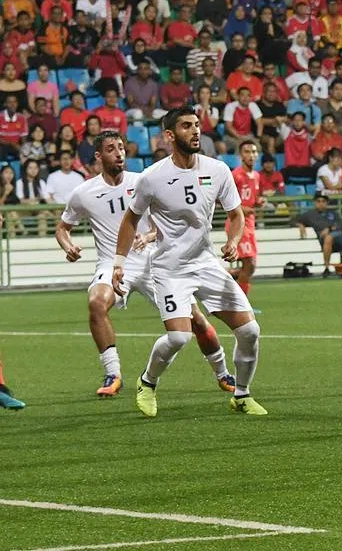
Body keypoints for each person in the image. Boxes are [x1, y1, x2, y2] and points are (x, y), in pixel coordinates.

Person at [55, 130, 234, 398]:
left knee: (196, 320)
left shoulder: (144, 181)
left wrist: (149, 235)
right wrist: (68, 246)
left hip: (154, 261)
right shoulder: (83, 193)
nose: (119, 153)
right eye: (111, 149)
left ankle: (223, 373)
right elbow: (62, 228)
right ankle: (113, 374)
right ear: (98, 156)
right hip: (114, 263)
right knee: (96, 303)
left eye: (121, 147)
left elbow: (166, 221)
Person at [112, 107, 265, 417]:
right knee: (179, 337)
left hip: (206, 263)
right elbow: (130, 220)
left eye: (196, 125)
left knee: (250, 331)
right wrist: (118, 263)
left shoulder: (217, 170)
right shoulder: (152, 177)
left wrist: (233, 241)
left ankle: (242, 394)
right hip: (170, 269)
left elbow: (236, 215)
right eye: (186, 126)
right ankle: (147, 382)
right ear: (170, 135)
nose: (195, 131)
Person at [293, 192, 342, 276]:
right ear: (314, 202)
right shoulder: (309, 215)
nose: (321, 204)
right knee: (328, 238)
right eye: (318, 201)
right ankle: (327, 268)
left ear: (327, 203)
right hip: (325, 239)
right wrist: (300, 225)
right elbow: (293, 220)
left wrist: (329, 228)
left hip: (339, 236)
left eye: (323, 201)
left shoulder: (333, 213)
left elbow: (341, 225)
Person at [228, 140, 263, 297]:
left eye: (254, 152)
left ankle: (226, 278)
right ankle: (241, 303)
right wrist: (242, 208)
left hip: (250, 224)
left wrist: (259, 202)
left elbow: (251, 199)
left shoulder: (256, 176)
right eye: (247, 152)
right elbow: (224, 200)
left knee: (249, 266)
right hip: (237, 223)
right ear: (240, 155)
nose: (251, 155)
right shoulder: (235, 175)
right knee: (250, 264)